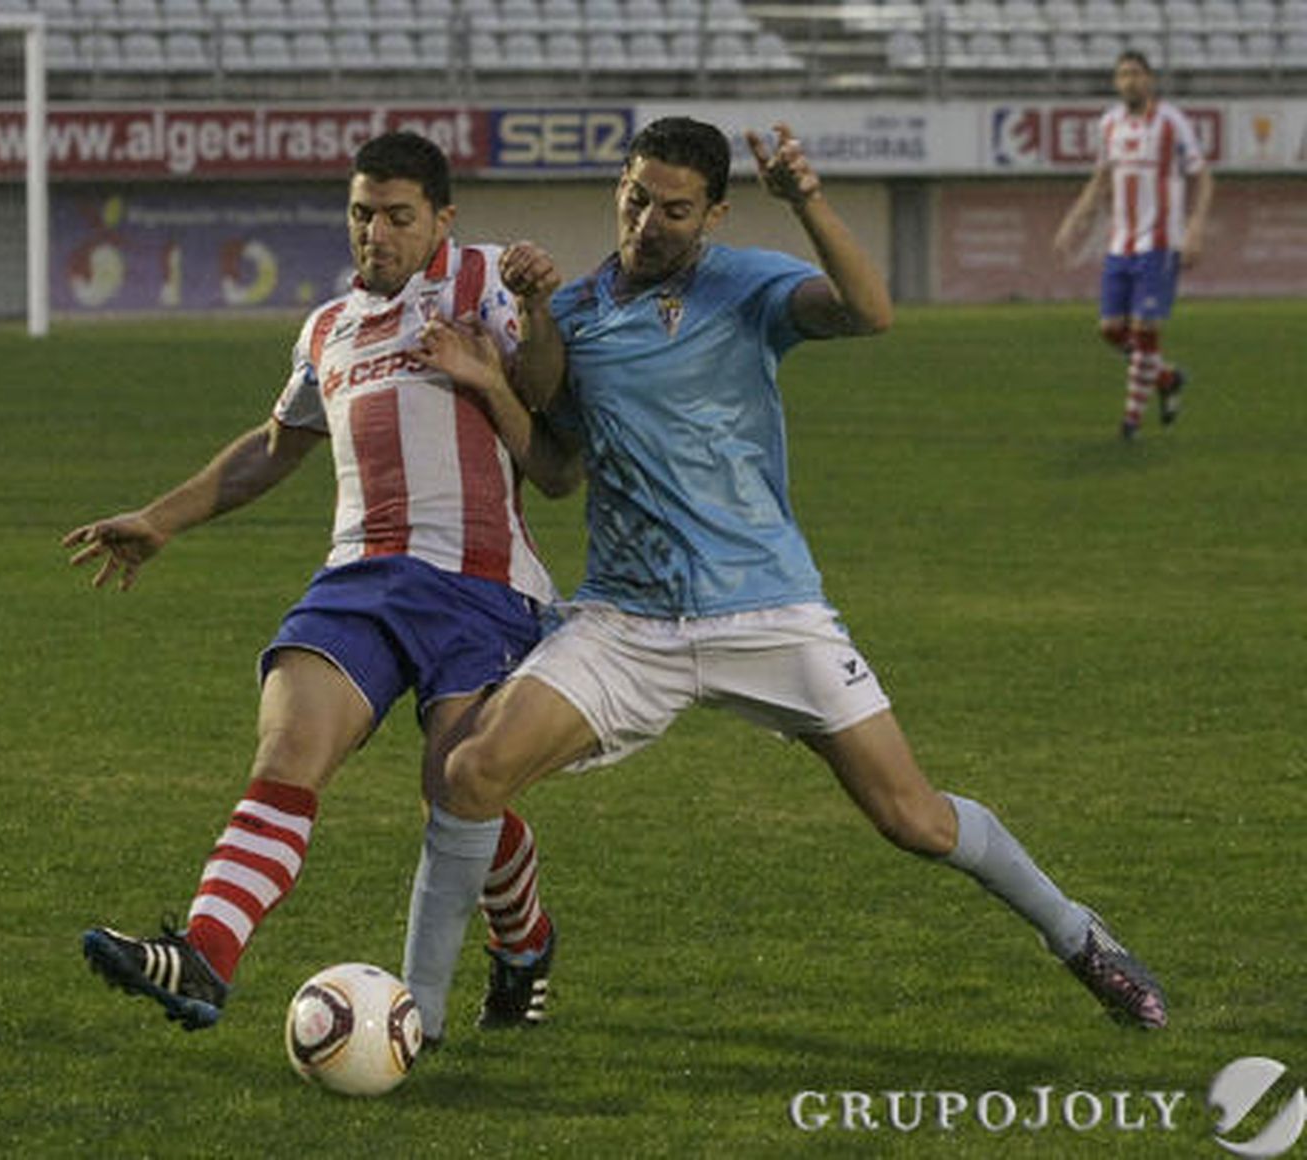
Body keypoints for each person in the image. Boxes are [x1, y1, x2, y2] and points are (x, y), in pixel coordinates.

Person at [419, 116, 1168, 1033]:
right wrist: (517, 342)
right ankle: (414, 1017)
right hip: (629, 625)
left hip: (768, 608)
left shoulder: (744, 285)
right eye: (635, 197)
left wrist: (807, 201)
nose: (648, 221)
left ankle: (1081, 937)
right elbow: (560, 469)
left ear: (717, 215)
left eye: (675, 209)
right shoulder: (574, 311)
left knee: (914, 819)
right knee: (470, 773)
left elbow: (871, 312)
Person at [62, 131, 576, 1042]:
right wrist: (161, 519)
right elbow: (274, 447)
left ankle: (525, 942)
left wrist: (535, 313)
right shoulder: (327, 328)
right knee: (288, 749)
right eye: (360, 213)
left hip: (480, 583)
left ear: (442, 219)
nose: (375, 232)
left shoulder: (489, 277)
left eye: (397, 216)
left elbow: (547, 400)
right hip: (357, 578)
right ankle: (206, 954)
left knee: (456, 791)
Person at [1053, 49, 1214, 442]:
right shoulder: (1109, 124)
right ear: (1115, 82)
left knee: (1142, 331)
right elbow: (1101, 178)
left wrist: (1194, 227)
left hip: (1159, 244)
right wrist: (1074, 219)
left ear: (1150, 80)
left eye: (1136, 73)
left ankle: (1130, 424)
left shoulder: (1171, 121)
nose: (1130, 81)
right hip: (1119, 244)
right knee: (1110, 329)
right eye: (1123, 74)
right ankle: (1166, 377)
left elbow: (1203, 176)